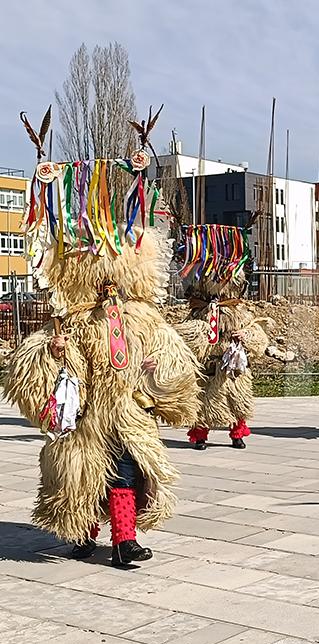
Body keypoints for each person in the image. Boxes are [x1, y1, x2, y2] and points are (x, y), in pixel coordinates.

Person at [4, 108, 200, 567]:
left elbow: (170, 356)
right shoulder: (73, 318)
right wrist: (54, 356)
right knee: (80, 475)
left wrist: (160, 373)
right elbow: (42, 366)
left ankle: (124, 540)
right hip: (88, 413)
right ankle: (81, 532)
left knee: (127, 473)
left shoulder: (143, 317)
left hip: (128, 413)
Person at [173, 223, 272, 450]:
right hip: (208, 363)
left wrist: (246, 335)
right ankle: (199, 436)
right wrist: (198, 333)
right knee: (201, 398)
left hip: (232, 365)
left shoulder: (239, 310)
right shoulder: (200, 309)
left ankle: (237, 434)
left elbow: (258, 332)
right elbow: (187, 335)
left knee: (238, 398)